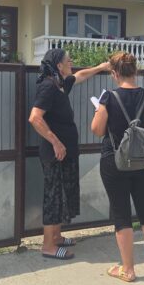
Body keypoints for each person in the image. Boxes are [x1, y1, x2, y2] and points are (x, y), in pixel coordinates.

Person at [29, 48, 109, 260]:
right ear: (58, 66)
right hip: (55, 154)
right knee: (53, 197)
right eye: (68, 60)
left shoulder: (60, 84)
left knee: (62, 195)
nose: (71, 62)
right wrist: (56, 142)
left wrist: (101, 67)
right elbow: (35, 118)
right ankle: (48, 246)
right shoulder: (48, 86)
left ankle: (56, 237)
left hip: (66, 152)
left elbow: (80, 76)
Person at [91, 51, 144, 282]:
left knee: (121, 212)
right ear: (136, 70)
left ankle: (128, 269)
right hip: (143, 160)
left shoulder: (109, 97)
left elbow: (97, 130)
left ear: (114, 73)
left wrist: (99, 111)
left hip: (115, 161)